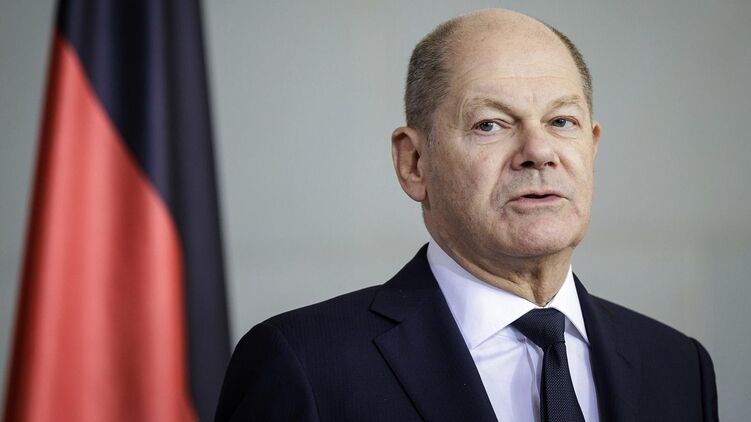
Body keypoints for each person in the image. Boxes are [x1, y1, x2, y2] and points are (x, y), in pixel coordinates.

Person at [215, 8, 718, 422]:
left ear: (592, 146)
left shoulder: (678, 366)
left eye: (561, 121)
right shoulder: (305, 366)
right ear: (414, 163)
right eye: (490, 124)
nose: (539, 152)